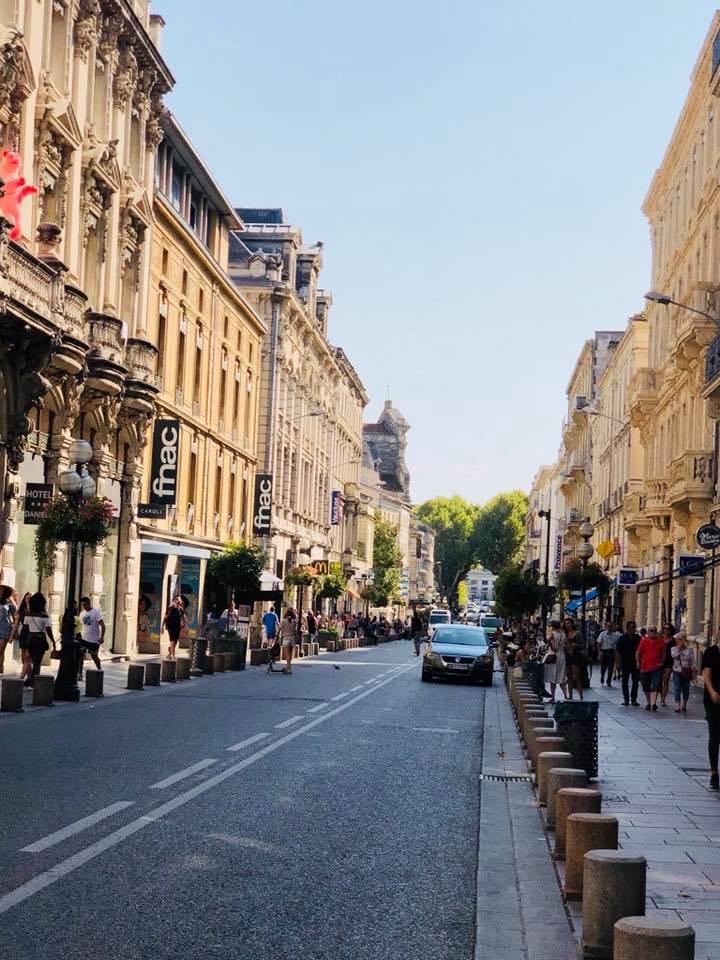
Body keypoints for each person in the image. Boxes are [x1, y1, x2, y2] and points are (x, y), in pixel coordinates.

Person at [21, 592, 55, 686]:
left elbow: (25, 629)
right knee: (37, 662)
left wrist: (24, 641)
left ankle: (30, 679)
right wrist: (53, 641)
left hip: (30, 639)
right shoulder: (44, 616)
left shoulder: (28, 615)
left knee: (29, 660)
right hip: (40, 640)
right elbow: (48, 630)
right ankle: (34, 682)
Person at [703, 633, 720, 789]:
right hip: (713, 701)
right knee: (714, 736)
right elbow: (707, 675)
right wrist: (712, 691)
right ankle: (714, 773)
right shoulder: (711, 652)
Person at [636, 625, 666, 711]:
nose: (653, 632)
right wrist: (638, 662)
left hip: (656, 666)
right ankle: (648, 703)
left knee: (655, 685)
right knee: (646, 686)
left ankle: (653, 703)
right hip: (644, 667)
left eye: (655, 630)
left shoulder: (661, 641)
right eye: (651, 631)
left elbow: (664, 652)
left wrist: (662, 662)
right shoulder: (644, 641)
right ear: (648, 632)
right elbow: (638, 653)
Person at [615, 620, 641, 706]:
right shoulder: (622, 638)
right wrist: (618, 663)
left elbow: (641, 650)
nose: (632, 629)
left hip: (635, 663)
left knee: (635, 681)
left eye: (634, 627)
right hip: (625, 662)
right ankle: (626, 699)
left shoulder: (638, 638)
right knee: (625, 682)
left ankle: (633, 699)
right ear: (627, 628)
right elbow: (617, 652)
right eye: (631, 627)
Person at [79, 596, 104, 676]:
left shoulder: (96, 612)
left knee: (94, 656)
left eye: (85, 604)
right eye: (83, 605)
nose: (84, 606)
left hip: (94, 640)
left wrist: (102, 637)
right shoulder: (82, 613)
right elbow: (81, 625)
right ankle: (80, 673)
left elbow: (103, 625)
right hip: (84, 639)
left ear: (89, 603)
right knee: (81, 656)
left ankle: (99, 670)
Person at [670, 633, 695, 713]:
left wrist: (693, 670)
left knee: (686, 688)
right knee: (677, 688)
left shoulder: (690, 649)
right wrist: (679, 649)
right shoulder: (673, 649)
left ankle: (684, 703)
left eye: (680, 639)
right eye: (677, 639)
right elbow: (674, 656)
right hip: (677, 670)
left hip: (687, 671)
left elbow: (692, 661)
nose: (678, 641)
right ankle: (678, 705)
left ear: (684, 640)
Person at [543, 620, 567, 704]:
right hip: (562, 656)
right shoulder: (563, 634)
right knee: (561, 676)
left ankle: (553, 698)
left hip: (553, 655)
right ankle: (566, 696)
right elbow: (565, 645)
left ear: (552, 626)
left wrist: (552, 646)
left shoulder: (552, 633)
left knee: (553, 677)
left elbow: (547, 639)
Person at [563, 618, 586, 701]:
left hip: (576, 657)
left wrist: (575, 645)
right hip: (567, 657)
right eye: (566, 623)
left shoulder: (578, 633)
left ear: (572, 624)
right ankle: (570, 696)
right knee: (569, 677)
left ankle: (581, 696)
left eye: (568, 623)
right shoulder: (565, 634)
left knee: (576, 677)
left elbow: (583, 645)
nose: (567, 625)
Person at [597, 620, 622, 688]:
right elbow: (599, 643)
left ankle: (609, 681)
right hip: (604, 651)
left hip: (611, 652)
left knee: (610, 668)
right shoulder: (602, 634)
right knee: (603, 667)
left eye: (611, 626)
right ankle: (602, 676)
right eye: (608, 626)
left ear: (612, 627)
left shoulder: (615, 635)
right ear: (606, 626)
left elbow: (617, 645)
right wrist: (599, 652)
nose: (609, 627)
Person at [0, 585, 17, 674]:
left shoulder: (9, 603)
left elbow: (16, 615)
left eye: (2, 591)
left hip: (5, 628)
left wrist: (13, 630)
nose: (0, 592)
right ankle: (1, 668)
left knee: (0, 650)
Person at [660, 623, 677, 707]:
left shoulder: (674, 640)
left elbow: (676, 651)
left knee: (666, 680)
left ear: (671, 630)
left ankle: (663, 699)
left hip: (669, 662)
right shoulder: (660, 639)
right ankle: (661, 695)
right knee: (659, 681)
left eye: (668, 629)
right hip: (659, 662)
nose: (666, 630)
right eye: (665, 628)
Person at [162, 596, 184, 660]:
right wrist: (162, 626)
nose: (178, 602)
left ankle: (169, 654)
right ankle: (173, 655)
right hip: (170, 626)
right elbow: (165, 617)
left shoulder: (181, 609)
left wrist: (185, 625)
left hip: (177, 627)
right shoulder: (170, 608)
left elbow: (183, 617)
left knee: (175, 641)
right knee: (172, 640)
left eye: (179, 601)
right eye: (177, 601)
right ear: (174, 601)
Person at [279, 608, 297, 674]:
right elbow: (295, 630)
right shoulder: (294, 621)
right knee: (290, 654)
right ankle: (288, 667)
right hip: (292, 638)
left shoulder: (283, 621)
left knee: (287, 654)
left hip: (286, 638)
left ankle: (288, 668)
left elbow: (280, 628)